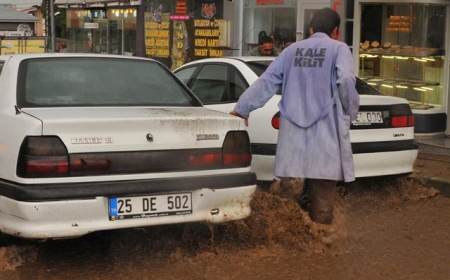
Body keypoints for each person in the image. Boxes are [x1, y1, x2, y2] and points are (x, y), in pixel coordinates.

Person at [230, 8, 360, 225]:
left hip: (293, 138)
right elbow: (346, 79)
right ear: (335, 31)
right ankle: (322, 248)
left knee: (288, 197)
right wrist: (350, 111)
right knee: (323, 199)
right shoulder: (339, 49)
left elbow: (266, 82)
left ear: (310, 30)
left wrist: (242, 108)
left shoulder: (291, 52)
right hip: (325, 139)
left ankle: (287, 246)